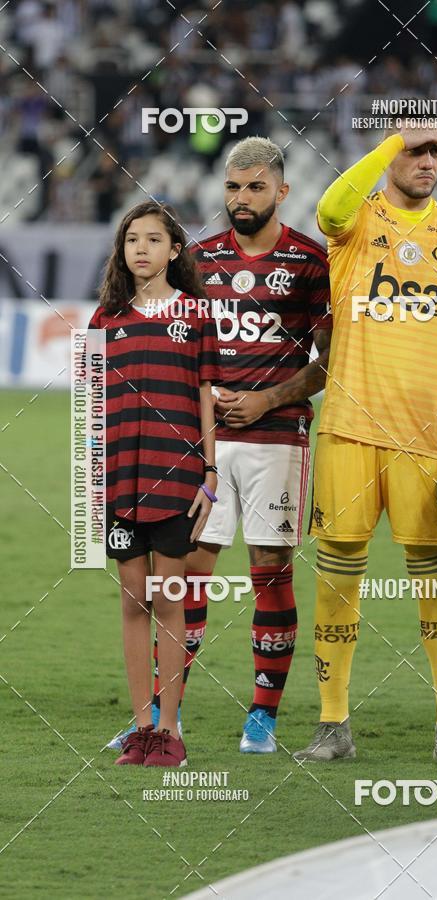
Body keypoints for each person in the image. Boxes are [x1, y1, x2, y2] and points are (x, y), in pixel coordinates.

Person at [110, 137, 332, 754]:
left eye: (255, 187)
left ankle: (262, 715)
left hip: (276, 438)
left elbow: (331, 362)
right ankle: (158, 718)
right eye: (233, 187)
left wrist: (269, 397)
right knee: (186, 576)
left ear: (282, 192)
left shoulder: (311, 262)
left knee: (269, 569)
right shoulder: (198, 260)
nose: (242, 198)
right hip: (199, 443)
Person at [293, 120, 437, 763]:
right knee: (336, 581)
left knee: (436, 582)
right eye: (417, 151)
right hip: (349, 430)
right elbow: (328, 206)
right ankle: (332, 725)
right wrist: (391, 141)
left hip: (429, 439)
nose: (428, 161)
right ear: (391, 156)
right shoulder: (354, 226)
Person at [92, 200, 219, 766]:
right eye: (131, 240)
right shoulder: (105, 320)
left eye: (152, 239)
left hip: (175, 479)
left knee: (168, 601)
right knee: (130, 605)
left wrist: (209, 475)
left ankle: (170, 731)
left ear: (174, 249)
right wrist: (91, 486)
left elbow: (205, 398)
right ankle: (141, 729)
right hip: (121, 482)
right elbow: (92, 410)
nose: (140, 248)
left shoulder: (195, 315)